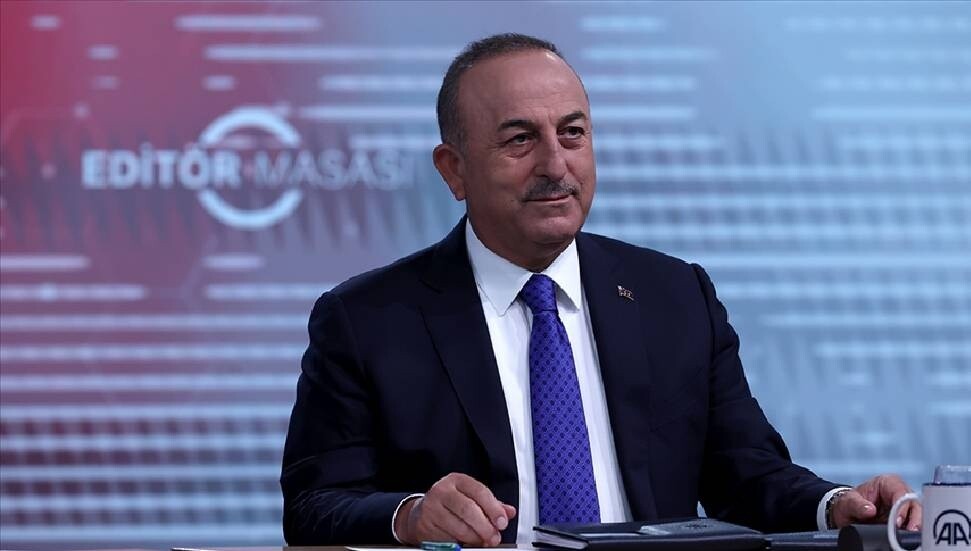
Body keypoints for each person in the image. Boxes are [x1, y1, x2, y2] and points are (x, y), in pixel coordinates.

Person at [281, 33, 921, 546]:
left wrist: (839, 505)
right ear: (454, 170)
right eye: (520, 139)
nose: (555, 164)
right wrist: (411, 515)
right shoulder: (367, 319)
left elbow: (746, 473)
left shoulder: (675, 295)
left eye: (573, 133)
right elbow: (313, 506)